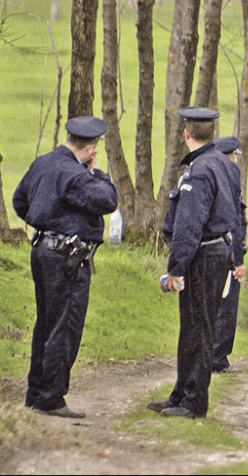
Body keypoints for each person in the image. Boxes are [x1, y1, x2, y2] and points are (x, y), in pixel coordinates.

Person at [12, 116, 119, 418]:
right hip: (68, 258)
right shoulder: (77, 175)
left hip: (42, 251)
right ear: (90, 147)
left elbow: (20, 201)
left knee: (44, 322)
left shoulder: (42, 164)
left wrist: (46, 219)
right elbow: (109, 200)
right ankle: (51, 397)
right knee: (65, 325)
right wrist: (97, 172)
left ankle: (35, 392)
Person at [147, 106, 241, 419]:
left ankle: (193, 403)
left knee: (198, 329)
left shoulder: (199, 170)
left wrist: (175, 268)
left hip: (203, 255)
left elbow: (189, 224)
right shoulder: (225, 165)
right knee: (193, 327)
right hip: (219, 252)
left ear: (186, 134)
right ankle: (179, 395)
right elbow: (236, 214)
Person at [211, 136, 248, 373]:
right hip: (225, 254)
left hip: (214, 252)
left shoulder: (212, 180)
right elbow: (235, 226)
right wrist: (238, 260)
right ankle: (218, 357)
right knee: (225, 307)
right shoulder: (228, 185)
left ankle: (213, 354)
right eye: (234, 156)